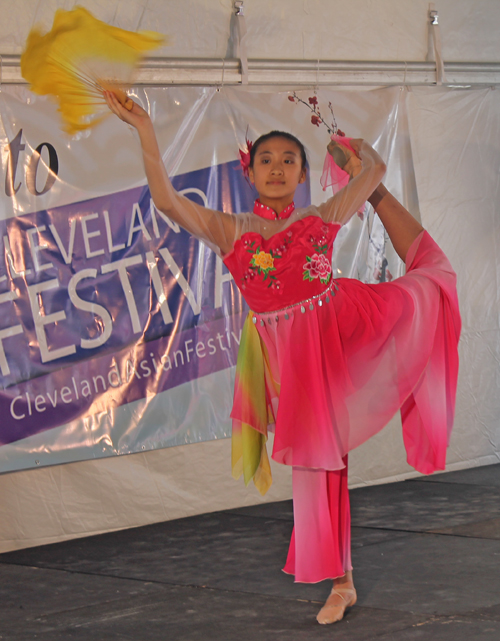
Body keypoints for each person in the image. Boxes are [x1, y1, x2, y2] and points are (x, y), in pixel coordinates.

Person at [104, 91, 461, 625]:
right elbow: (166, 201)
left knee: (427, 288)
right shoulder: (230, 231)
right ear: (250, 173)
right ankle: (343, 580)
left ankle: (341, 583)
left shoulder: (320, 216)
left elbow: (376, 168)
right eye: (266, 159)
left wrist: (353, 151)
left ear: (301, 176)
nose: (277, 167)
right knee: (322, 461)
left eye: (289, 160)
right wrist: (144, 128)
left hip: (342, 326)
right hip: (289, 356)